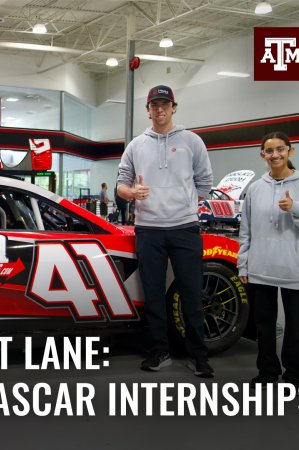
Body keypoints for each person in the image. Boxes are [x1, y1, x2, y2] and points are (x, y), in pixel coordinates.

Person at [116, 84, 214, 378]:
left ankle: (199, 356)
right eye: (154, 105)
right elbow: (121, 185)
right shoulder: (136, 145)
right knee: (154, 294)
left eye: (165, 104)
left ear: (174, 107)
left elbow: (205, 184)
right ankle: (159, 352)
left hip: (185, 228)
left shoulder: (192, 141)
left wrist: (182, 203)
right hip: (148, 230)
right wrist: (132, 193)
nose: (160, 109)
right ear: (148, 110)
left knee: (192, 294)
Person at [237, 131, 299, 387]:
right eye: (269, 150)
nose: (275, 155)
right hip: (261, 267)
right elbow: (246, 230)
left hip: (293, 268)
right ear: (262, 154)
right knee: (263, 325)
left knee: (296, 325)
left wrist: (296, 209)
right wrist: (243, 264)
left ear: (290, 151)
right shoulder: (255, 189)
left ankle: (295, 374)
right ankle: (267, 371)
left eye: (280, 149)